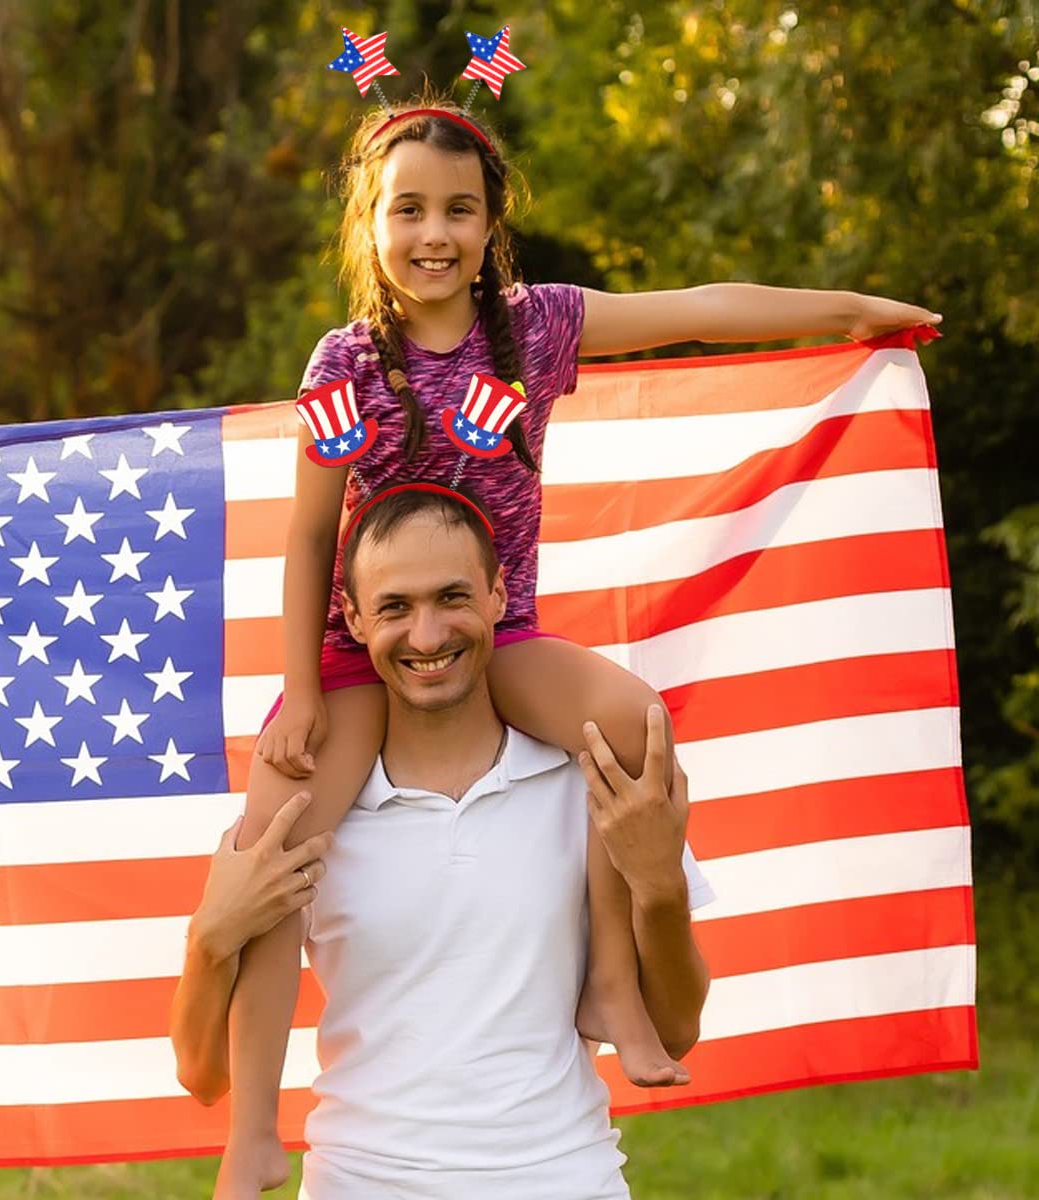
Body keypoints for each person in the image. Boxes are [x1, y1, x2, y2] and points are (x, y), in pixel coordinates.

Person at [207, 87, 943, 1196]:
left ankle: (609, 980)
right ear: (369, 222)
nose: (434, 234)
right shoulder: (342, 363)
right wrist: (301, 692)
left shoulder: (539, 327)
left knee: (633, 725)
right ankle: (253, 1133)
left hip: (494, 632)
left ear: (490, 224)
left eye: (459, 210)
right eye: (408, 210)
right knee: (272, 856)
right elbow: (309, 537)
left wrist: (841, 310)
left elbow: (695, 307)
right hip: (362, 653)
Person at [176, 484, 715, 1199]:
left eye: (452, 598)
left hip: (566, 1179)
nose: (428, 636)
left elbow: (675, 1030)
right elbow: (203, 1075)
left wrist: (659, 884)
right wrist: (211, 937)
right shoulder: (310, 815)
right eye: (396, 607)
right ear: (354, 619)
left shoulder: (586, 774)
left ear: (499, 595)